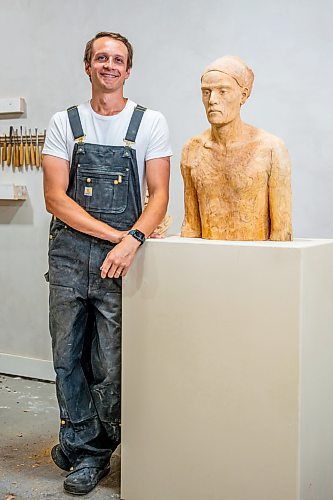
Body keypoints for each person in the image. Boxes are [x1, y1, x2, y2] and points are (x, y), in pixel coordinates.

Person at [42, 31, 171, 495]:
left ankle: (101, 444)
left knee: (110, 362)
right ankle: (81, 447)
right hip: (71, 258)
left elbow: (159, 196)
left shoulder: (149, 122)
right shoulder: (65, 121)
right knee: (67, 358)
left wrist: (131, 240)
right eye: (101, 57)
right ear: (88, 66)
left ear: (128, 70)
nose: (109, 65)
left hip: (121, 262)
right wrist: (122, 235)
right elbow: (56, 198)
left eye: (118, 59)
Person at [180, 55, 292, 241]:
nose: (212, 100)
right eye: (206, 92)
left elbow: (282, 232)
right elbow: (191, 227)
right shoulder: (193, 149)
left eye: (223, 91)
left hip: (256, 261)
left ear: (244, 95)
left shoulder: (270, 149)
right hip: (208, 260)